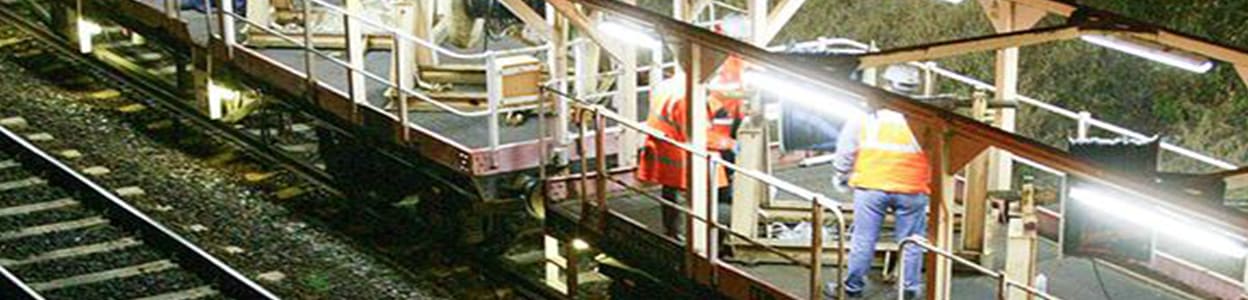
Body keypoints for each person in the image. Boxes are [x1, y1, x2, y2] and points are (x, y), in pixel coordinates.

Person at [825, 107, 931, 299]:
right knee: (911, 241)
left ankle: (853, 287)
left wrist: (841, 174)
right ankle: (909, 288)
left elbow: (846, 148)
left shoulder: (865, 115)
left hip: (871, 186)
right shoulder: (922, 118)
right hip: (911, 187)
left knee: (864, 238)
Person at [637, 72, 732, 240]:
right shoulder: (688, 97)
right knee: (706, 197)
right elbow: (698, 135)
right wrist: (730, 144)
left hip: (665, 150)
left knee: (671, 194)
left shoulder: (667, 86)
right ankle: (699, 238)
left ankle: (673, 232)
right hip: (684, 156)